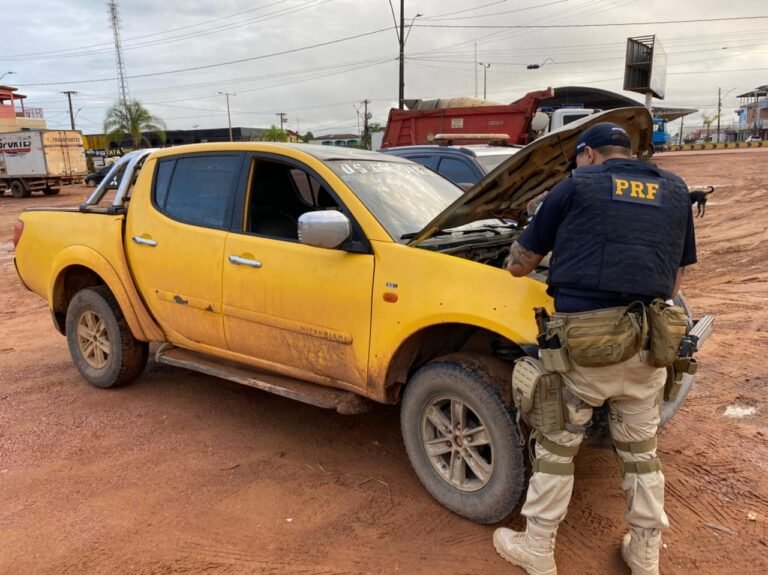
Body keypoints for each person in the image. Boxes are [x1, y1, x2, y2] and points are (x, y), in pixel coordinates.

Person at [495, 122, 697, 575]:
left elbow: (519, 266)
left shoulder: (574, 185)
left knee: (557, 446)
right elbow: (675, 280)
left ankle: (538, 549)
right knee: (641, 453)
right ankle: (645, 555)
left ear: (587, 154)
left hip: (584, 348)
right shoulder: (675, 190)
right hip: (650, 342)